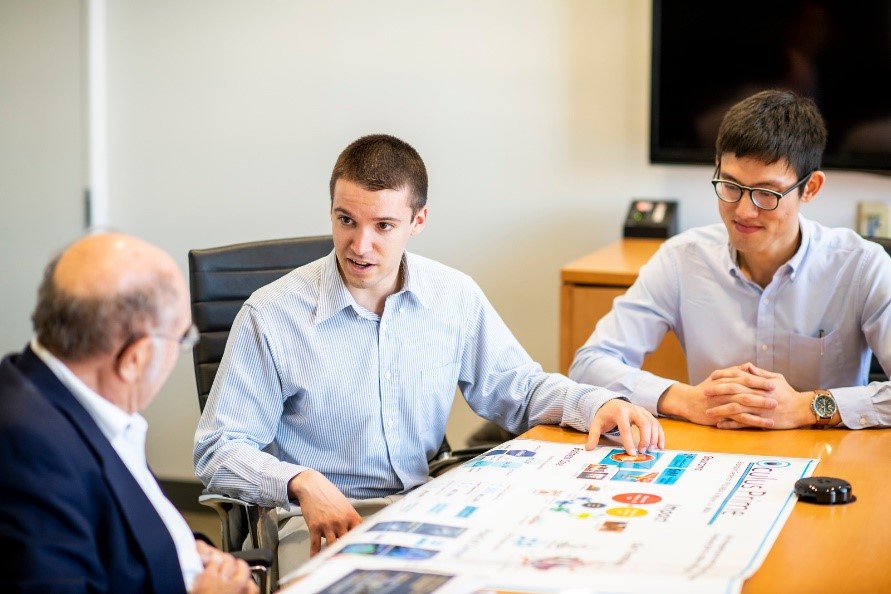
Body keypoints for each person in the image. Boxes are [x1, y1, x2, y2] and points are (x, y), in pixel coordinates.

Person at [193, 134, 664, 578]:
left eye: (383, 226)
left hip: (429, 507)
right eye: (346, 221)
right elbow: (218, 450)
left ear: (418, 221)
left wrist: (597, 404)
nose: (360, 246)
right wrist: (301, 483)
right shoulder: (271, 314)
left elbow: (517, 388)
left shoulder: (452, 296)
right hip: (320, 521)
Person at [570, 89, 891, 431]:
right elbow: (589, 363)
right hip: (716, 456)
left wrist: (808, 406)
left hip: (829, 461)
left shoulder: (861, 266)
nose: (744, 211)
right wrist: (683, 398)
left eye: (766, 193)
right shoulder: (682, 259)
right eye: (730, 186)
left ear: (810, 188)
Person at [0, 232, 258, 594]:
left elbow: (121, 526)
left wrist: (189, 550)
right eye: (183, 339)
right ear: (136, 359)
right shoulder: (25, 451)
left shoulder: (71, 397)